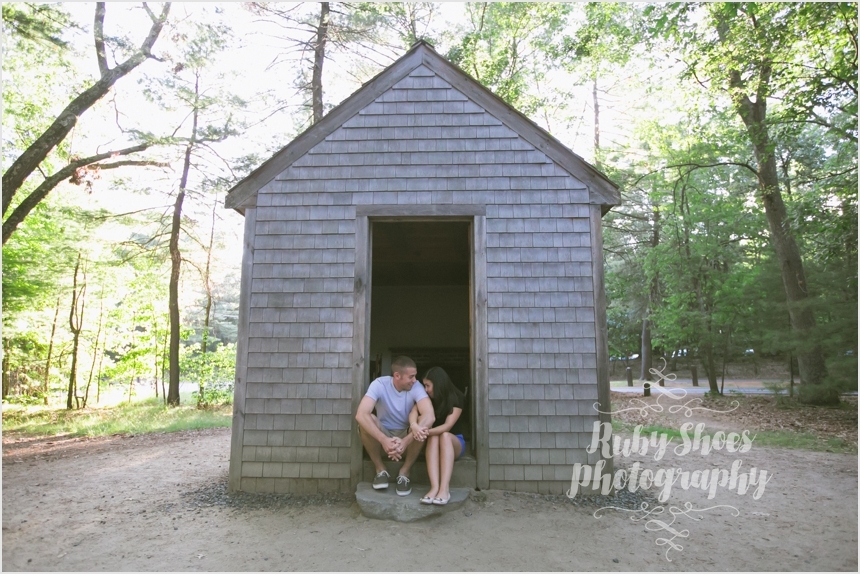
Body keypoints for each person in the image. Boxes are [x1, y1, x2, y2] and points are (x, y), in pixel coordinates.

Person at [355, 356, 435, 496]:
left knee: (422, 423)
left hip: (407, 436)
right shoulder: (379, 384)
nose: (415, 380)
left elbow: (430, 416)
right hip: (383, 435)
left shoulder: (416, 387)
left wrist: (405, 441)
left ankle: (404, 472)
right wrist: (384, 440)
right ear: (397, 375)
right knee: (367, 419)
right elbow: (361, 414)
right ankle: (380, 470)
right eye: (411, 376)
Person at [409, 366, 466, 506]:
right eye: (424, 385)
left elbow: (447, 426)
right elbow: (413, 412)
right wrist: (414, 426)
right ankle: (434, 488)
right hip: (432, 442)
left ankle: (444, 489)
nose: (426, 389)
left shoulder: (457, 397)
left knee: (444, 435)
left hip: (454, 442)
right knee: (435, 436)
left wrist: (424, 432)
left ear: (438, 383)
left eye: (428, 385)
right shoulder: (426, 398)